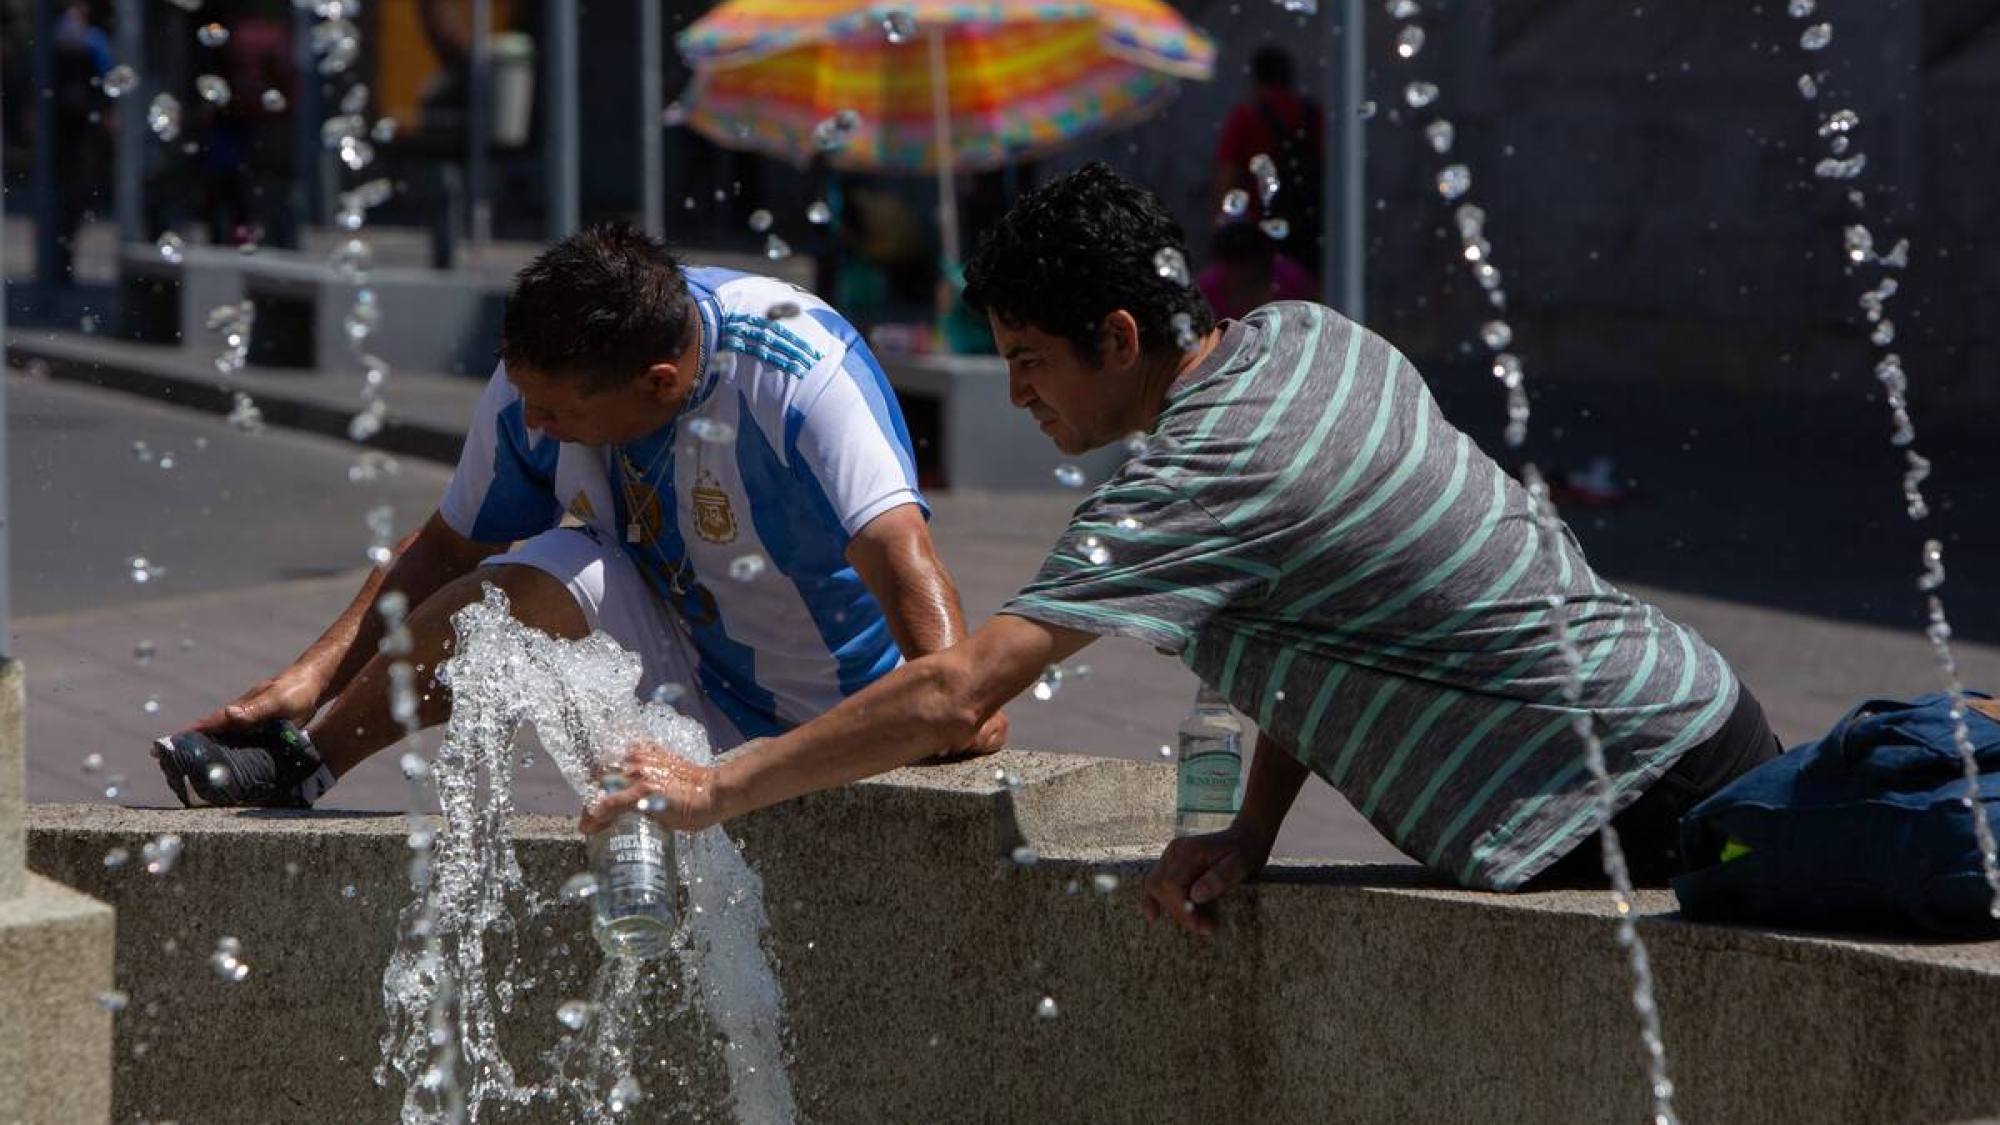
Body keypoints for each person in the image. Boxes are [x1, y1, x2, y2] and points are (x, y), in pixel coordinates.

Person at [585, 164, 1784, 930]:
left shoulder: (1198, 473)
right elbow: (1326, 609)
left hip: (1619, 797)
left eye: (1028, 360)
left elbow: (960, 690)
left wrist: (718, 785)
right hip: (1678, 724)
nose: (1015, 398)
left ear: (1115, 335)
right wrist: (1249, 829)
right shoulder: (1302, 339)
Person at [154, 222, 1004, 807]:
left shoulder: (797, 368)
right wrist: (311, 677)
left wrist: (950, 694)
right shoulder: (544, 376)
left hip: (843, 710)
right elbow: (447, 547)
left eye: (555, 412)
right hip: (688, 675)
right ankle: (305, 764)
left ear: (658, 385)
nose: (534, 427)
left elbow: (902, 552)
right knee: (525, 584)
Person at [1213, 46, 1323, 278]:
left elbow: (1227, 176)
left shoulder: (1247, 116)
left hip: (1258, 234)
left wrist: (1222, 226)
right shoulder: (1313, 116)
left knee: (1261, 303)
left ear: (1256, 79)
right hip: (1308, 229)